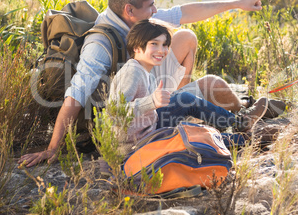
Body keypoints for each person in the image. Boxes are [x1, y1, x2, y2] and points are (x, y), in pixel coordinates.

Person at [19, 0, 273, 167]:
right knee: (196, 115)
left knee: (187, 42)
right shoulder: (100, 45)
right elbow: (76, 96)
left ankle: (242, 119)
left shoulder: (137, 24)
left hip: (146, 104)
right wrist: (52, 148)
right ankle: (248, 138)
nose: (155, 11)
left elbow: (185, 12)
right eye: (150, 6)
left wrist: (238, 3)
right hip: (127, 129)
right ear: (129, 10)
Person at [109, 19, 269, 154]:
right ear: (136, 48)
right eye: (154, 44)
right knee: (190, 135)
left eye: (165, 45)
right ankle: (249, 139)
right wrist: (151, 102)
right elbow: (116, 111)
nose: (162, 50)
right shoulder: (132, 72)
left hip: (148, 128)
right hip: (136, 145)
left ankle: (238, 123)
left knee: (184, 99)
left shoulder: (146, 70)